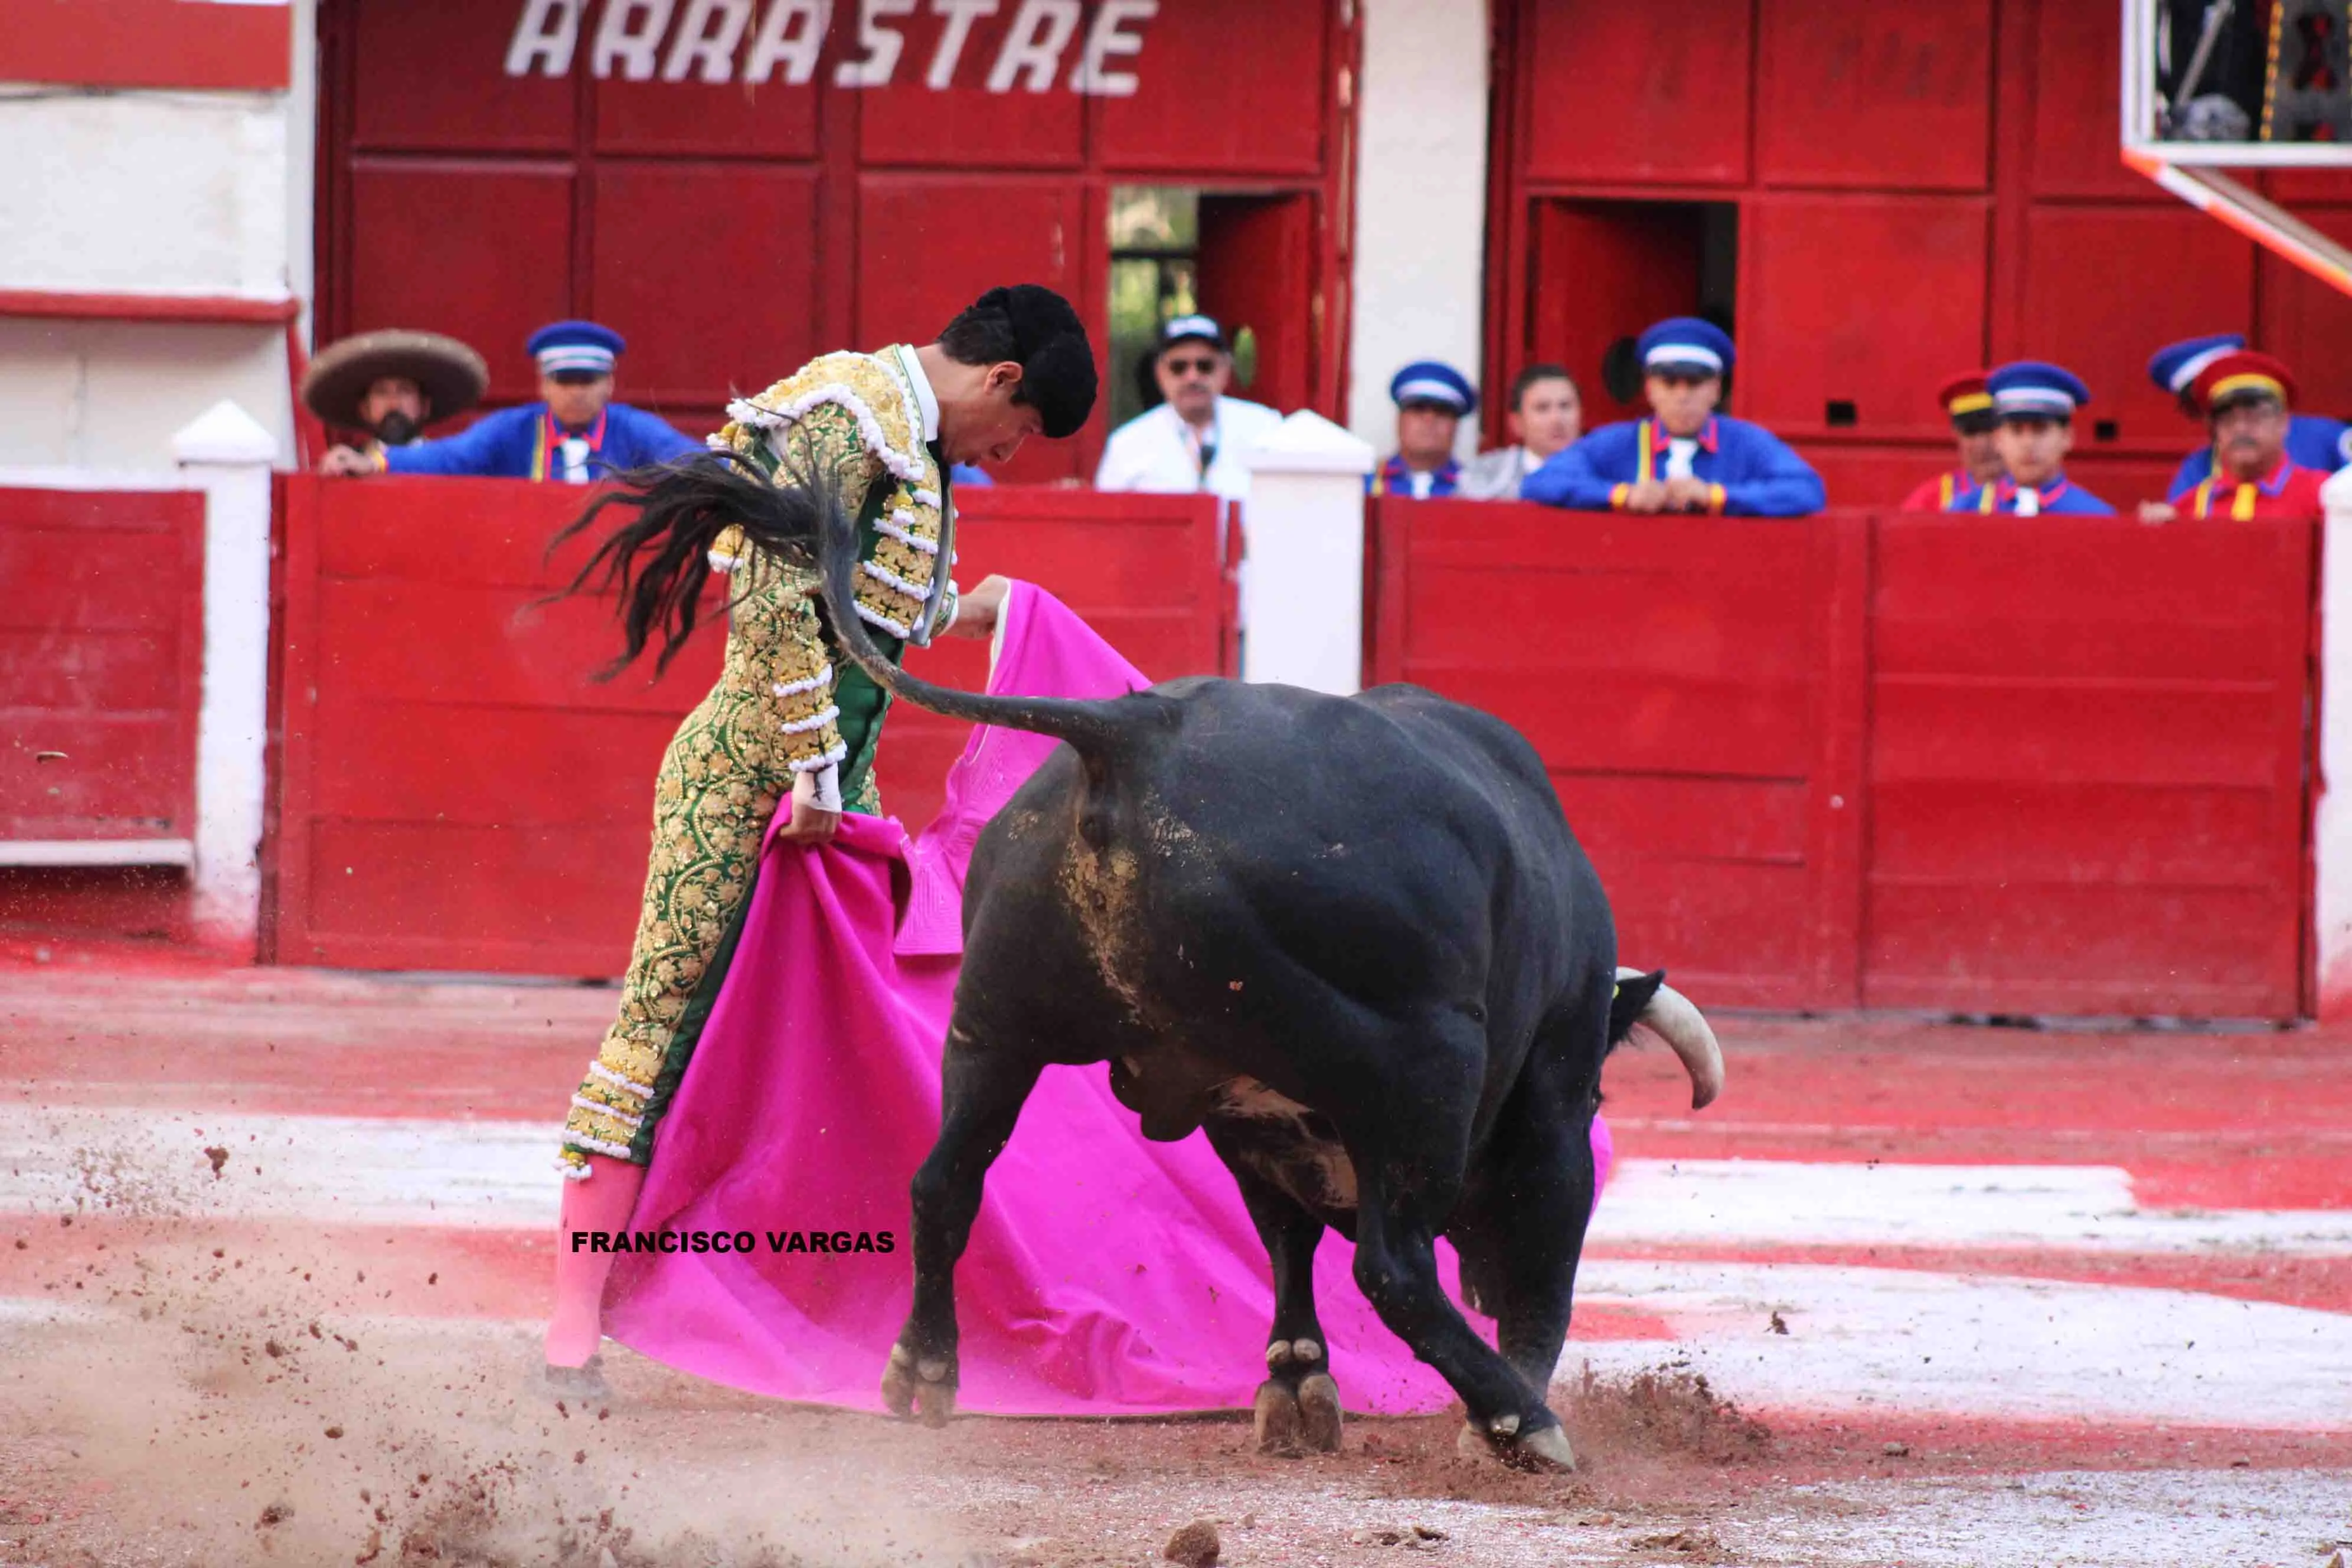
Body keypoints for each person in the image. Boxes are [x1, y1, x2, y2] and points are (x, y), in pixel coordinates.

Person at [538, 284, 1098, 1396]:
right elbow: (774, 593)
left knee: (839, 1041)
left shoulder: (918, 452)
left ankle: (796, 1304)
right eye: (1023, 431)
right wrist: (808, 765)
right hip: (749, 784)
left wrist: (986, 612)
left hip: (835, 800)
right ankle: (568, 1338)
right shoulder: (845, 413)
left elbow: (867, 606)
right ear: (1000, 381)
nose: (1008, 454)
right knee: (662, 1026)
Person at [319, 321, 699, 480]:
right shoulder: (514, 430)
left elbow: (690, 460)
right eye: (565, 381)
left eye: (588, 380)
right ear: (544, 386)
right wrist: (376, 462)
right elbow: (452, 456)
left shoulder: (633, 429)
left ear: (609, 385)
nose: (577, 392)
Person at [1523, 318, 1825, 516]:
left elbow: (1806, 490)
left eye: (1694, 384)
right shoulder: (1617, 442)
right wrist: (1622, 495)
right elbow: (1541, 482)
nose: (1682, 396)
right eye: (1669, 384)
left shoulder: (1746, 442)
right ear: (1650, 390)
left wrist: (1716, 496)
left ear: (1716, 390)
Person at [1093, 315, 1284, 500]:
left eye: (1205, 366)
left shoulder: (1265, 428)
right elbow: (1107, 523)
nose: (1192, 377)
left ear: (1226, 369)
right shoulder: (1128, 444)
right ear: (1160, 373)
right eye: (1179, 367)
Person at [2140, 349, 2333, 522]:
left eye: (2254, 417)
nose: (2241, 429)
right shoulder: (2189, 507)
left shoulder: (2324, 496)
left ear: (2283, 423)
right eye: (2228, 419)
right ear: (2214, 430)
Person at [2150, 333, 2352, 496]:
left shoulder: (2325, 436)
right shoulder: (2198, 468)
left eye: (2249, 407)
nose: (2240, 426)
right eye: (2223, 411)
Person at [300, 328, 488, 469]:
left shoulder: (446, 464)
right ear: (365, 409)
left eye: (404, 391)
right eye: (381, 393)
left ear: (425, 406)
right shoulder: (345, 465)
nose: (393, 403)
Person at [1949, 361, 2113, 515]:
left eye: (2040, 430)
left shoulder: (2092, 515)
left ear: (2067, 437)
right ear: (1999, 439)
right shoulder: (1967, 510)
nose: (2028, 444)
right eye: (2016, 431)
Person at [1459, 363, 1583, 500]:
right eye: (1542, 408)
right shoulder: (1483, 475)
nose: (1557, 419)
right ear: (1517, 423)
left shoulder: (1604, 472)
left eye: (1565, 406)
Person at [1897, 371, 2004, 511]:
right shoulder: (1929, 500)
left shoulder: (2036, 497)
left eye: (1991, 430)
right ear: (1956, 435)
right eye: (1971, 432)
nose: (1982, 444)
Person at [1370, 361, 1475, 497]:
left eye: (1442, 411)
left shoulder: (1476, 488)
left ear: (1456, 424)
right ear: (1399, 419)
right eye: (1418, 408)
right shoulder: (1362, 484)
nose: (1429, 420)